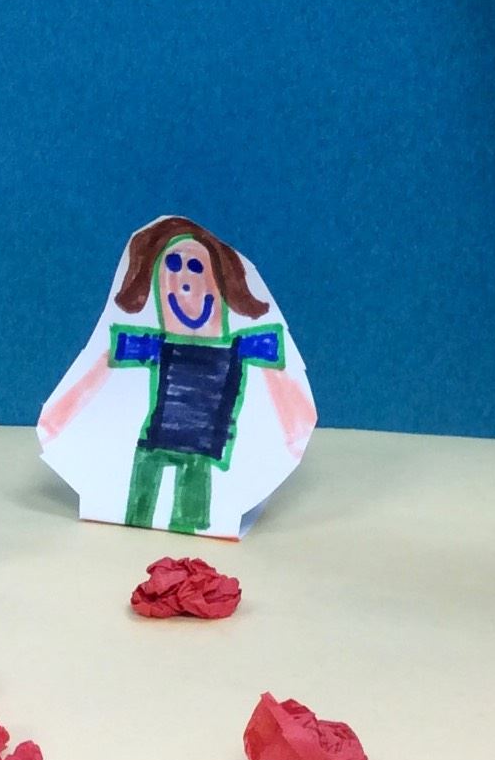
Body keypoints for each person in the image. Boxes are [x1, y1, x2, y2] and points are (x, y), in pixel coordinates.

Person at [40, 217, 315, 532]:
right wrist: (56, 421)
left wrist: (295, 435)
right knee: (139, 507)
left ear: (220, 281)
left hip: (202, 451)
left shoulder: (244, 346)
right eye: (172, 266)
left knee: (192, 517)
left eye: (195, 267)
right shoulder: (155, 345)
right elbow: (103, 365)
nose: (184, 282)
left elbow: (284, 385)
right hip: (153, 444)